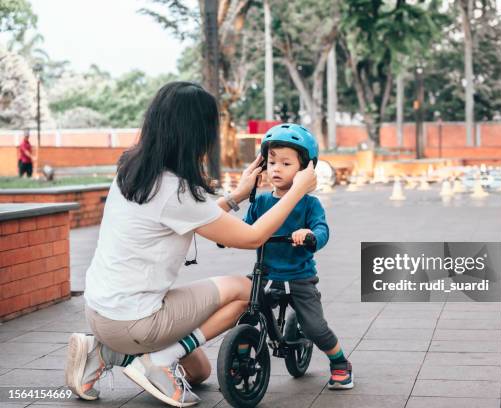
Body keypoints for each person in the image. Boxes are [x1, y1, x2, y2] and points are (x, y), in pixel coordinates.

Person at [64, 82, 317, 408]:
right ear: (197, 132)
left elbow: (192, 217)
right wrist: (298, 190)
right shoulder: (176, 190)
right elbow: (251, 237)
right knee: (243, 289)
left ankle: (103, 351)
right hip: (134, 320)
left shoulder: (133, 167)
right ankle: (159, 359)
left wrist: (238, 195)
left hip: (101, 312)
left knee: (199, 371)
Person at [244, 123, 354, 390]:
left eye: (285, 163)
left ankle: (340, 363)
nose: (276, 169)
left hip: (299, 277)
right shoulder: (260, 201)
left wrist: (310, 235)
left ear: (305, 170)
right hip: (266, 273)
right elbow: (244, 228)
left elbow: (322, 230)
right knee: (245, 313)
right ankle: (239, 356)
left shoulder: (309, 203)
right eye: (271, 162)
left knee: (315, 328)